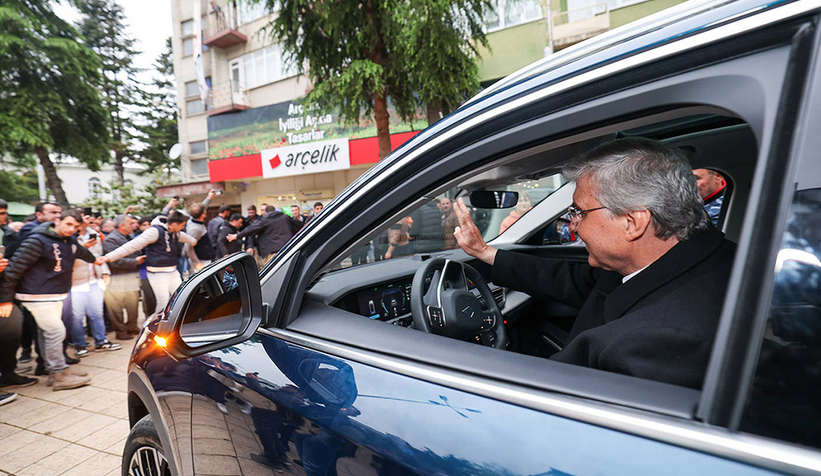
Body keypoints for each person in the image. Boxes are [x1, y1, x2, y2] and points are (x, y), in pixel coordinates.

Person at [453, 138, 736, 389]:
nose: (573, 226)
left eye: (579, 212)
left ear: (632, 222)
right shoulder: (695, 258)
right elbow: (578, 281)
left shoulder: (654, 344)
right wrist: (487, 253)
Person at [0, 209, 103, 390]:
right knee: (56, 332)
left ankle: (53, 369)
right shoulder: (36, 241)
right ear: (57, 220)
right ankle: (59, 374)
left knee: (46, 333)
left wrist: (95, 260)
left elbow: (80, 251)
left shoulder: (69, 240)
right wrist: (5, 300)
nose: (71, 229)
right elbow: (14, 269)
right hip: (36, 295)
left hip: (55, 294)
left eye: (76, 227)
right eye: (68, 224)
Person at [101, 211, 202, 313]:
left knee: (181, 298)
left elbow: (192, 240)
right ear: (175, 224)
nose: (183, 227)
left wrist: (194, 242)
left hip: (173, 271)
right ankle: (159, 327)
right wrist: (108, 257)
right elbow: (131, 246)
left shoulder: (176, 233)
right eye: (183, 225)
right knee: (163, 303)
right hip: (157, 274)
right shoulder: (154, 231)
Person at [0, 199, 38, 391]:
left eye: (3, 213)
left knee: (11, 334)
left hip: (5, 291)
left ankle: (8, 374)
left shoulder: (7, 233)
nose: (2, 217)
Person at [69, 211, 117, 355]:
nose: (89, 221)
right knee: (76, 317)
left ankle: (101, 341)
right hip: (75, 282)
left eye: (90, 218)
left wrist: (104, 271)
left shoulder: (93, 233)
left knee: (97, 313)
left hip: (93, 279)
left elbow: (99, 256)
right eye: (86, 218)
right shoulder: (69, 237)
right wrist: (83, 247)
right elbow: (66, 257)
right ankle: (79, 345)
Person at [103, 215, 145, 341]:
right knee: (116, 308)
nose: (133, 225)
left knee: (133, 304)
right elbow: (113, 261)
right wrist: (135, 262)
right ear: (121, 226)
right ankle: (120, 331)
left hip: (131, 277)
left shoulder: (129, 237)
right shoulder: (111, 240)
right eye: (130, 223)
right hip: (117, 278)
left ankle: (131, 326)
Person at [229, 205, 302, 265]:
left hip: (274, 250)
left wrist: (237, 236)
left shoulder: (265, 219)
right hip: (288, 247)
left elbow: (251, 228)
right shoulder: (285, 217)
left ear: (266, 212)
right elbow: (299, 224)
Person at [185, 190, 218, 271]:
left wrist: (209, 198)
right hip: (202, 261)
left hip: (205, 258)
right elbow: (188, 247)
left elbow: (201, 208)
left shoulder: (192, 219)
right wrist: (197, 263)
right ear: (203, 214)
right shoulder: (195, 229)